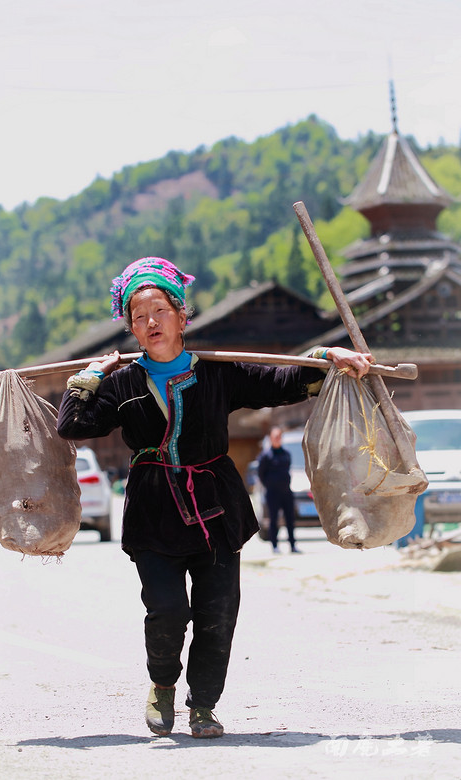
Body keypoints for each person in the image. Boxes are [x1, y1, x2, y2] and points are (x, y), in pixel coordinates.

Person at [57, 256, 373, 739]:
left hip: (217, 510)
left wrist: (328, 356)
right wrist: (91, 375)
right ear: (133, 331)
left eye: (159, 311)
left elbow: (282, 381)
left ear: (182, 316)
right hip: (153, 510)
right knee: (166, 609)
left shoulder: (218, 373)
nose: (150, 323)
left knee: (217, 615)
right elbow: (72, 425)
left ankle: (203, 705)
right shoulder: (121, 384)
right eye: (139, 318)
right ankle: (162, 684)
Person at [258, 426, 298, 554]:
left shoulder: (286, 453)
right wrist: (270, 484)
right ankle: (274, 546)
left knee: (290, 519)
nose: (277, 439)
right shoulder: (265, 456)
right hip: (272, 493)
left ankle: (293, 545)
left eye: (279, 436)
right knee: (273, 520)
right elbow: (261, 474)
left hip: (286, 492)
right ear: (270, 438)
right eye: (275, 437)